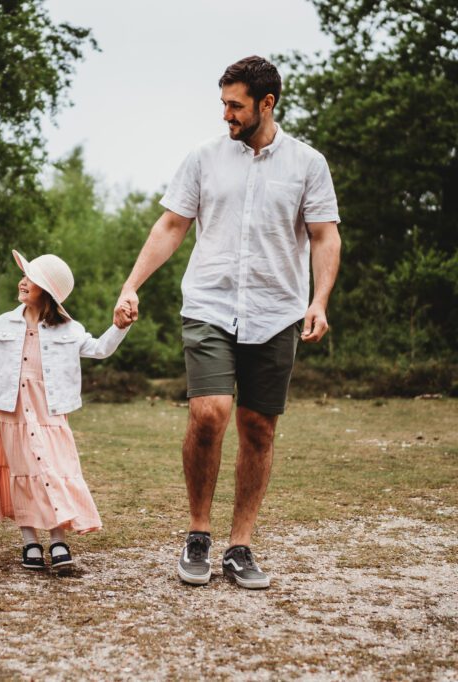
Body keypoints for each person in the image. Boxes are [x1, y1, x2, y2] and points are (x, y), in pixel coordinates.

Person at [114, 56, 341, 589]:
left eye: (235, 105)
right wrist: (131, 284)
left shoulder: (308, 164)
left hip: (276, 310)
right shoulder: (203, 158)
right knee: (210, 413)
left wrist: (320, 299)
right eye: (222, 103)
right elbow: (172, 224)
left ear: (267, 103)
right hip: (210, 305)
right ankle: (198, 533)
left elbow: (325, 236)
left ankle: (240, 546)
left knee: (258, 428)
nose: (225, 115)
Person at [0, 251, 131, 575]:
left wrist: (118, 327)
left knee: (53, 472)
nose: (22, 281)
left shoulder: (69, 328)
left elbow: (99, 349)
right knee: (20, 476)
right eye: (24, 275)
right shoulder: (3, 323)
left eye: (31, 278)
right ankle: (29, 541)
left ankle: (58, 539)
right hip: (11, 412)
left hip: (49, 412)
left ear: (47, 290)